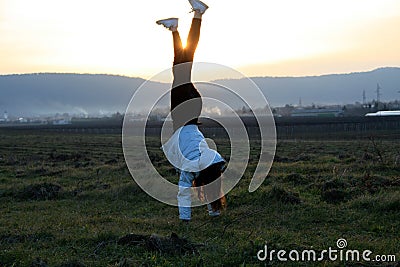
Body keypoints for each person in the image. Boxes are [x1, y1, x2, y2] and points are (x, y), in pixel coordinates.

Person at [157, 0, 226, 222]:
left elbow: (212, 180)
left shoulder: (210, 160)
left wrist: (214, 211)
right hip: (184, 113)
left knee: (181, 67)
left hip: (192, 108)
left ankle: (175, 29)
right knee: (183, 66)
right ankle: (198, 15)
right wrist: (184, 220)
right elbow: (183, 193)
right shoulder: (190, 169)